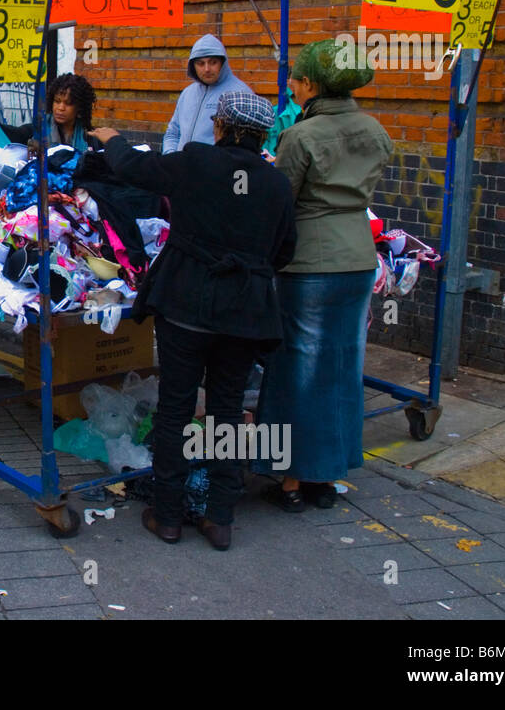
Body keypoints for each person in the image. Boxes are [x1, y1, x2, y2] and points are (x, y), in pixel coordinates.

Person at [90, 91, 297, 551]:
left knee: (176, 407)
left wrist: (112, 139)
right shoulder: (276, 184)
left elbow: (135, 170)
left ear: (220, 127)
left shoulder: (195, 161)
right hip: (244, 313)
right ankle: (220, 519)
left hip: (186, 304)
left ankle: (167, 517)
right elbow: (285, 252)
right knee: (227, 411)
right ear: (261, 135)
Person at [253, 39, 392, 511]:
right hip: (357, 258)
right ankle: (327, 477)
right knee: (342, 367)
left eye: (294, 79)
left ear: (311, 84)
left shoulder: (301, 136)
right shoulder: (375, 131)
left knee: (297, 368)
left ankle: (291, 479)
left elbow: (281, 202)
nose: (289, 86)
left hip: (309, 261)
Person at [162, 34, 251, 153]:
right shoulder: (187, 93)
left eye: (213, 62)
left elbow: (244, 146)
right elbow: (173, 133)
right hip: (180, 168)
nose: (207, 69)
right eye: (201, 63)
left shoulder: (240, 94)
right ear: (193, 66)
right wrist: (170, 157)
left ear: (222, 63)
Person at [0, 72, 101, 151]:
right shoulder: (37, 130)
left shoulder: (90, 138)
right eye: (57, 101)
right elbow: (13, 133)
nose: (61, 108)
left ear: (79, 108)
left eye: (68, 103)